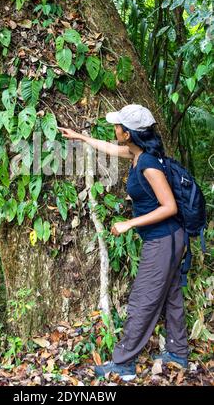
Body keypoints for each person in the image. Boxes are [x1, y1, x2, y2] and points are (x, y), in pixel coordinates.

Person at [57, 104, 188, 382]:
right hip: (171, 239)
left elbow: (170, 206)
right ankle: (178, 352)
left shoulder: (149, 165)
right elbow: (108, 147)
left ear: (128, 134)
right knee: (172, 295)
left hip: (163, 240)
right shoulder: (138, 154)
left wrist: (129, 223)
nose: (114, 129)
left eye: (118, 126)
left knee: (142, 300)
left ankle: (124, 364)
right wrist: (80, 137)